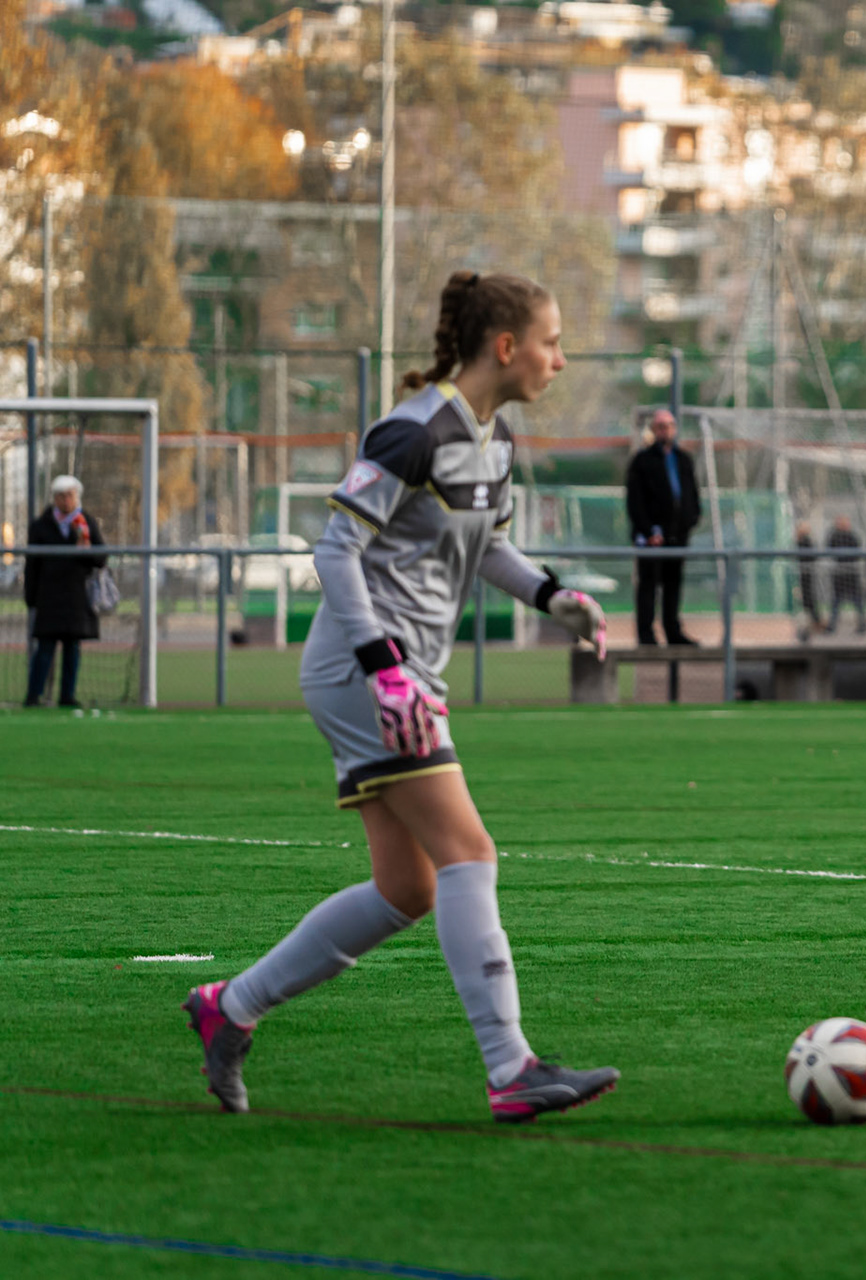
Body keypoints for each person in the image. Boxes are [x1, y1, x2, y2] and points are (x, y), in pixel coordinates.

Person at [182, 271, 617, 1123]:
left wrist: (552, 597)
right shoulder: (412, 430)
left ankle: (229, 1008)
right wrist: (385, 668)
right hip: (364, 668)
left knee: (407, 889)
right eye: (551, 342)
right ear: (504, 347)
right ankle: (510, 1067)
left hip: (397, 670)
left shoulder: (493, 444)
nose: (559, 360)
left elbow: (489, 546)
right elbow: (335, 550)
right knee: (470, 852)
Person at [23, 474, 106, 708]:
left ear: (76, 496)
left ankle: (67, 696)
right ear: (54, 498)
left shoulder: (85, 522)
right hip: (49, 598)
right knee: (45, 649)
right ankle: (33, 696)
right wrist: (31, 597)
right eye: (61, 496)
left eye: (69, 495)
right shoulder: (40, 526)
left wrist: (86, 548)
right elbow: (32, 565)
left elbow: (101, 559)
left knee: (72, 649)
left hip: (76, 599)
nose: (65, 500)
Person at [625, 408, 702, 646]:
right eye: (660, 426)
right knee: (648, 585)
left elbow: (691, 495)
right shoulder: (642, 461)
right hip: (652, 539)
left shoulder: (683, 459)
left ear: (674, 429)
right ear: (653, 430)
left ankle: (673, 631)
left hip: (677, 536)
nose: (664, 430)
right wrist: (648, 531)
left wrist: (690, 520)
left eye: (668, 426)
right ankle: (646, 634)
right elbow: (635, 502)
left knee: (673, 585)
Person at [826, 514, 865, 633]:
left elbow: (857, 550)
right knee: (836, 602)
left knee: (857, 601)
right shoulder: (834, 535)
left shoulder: (851, 535)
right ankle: (832, 626)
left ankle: (863, 624)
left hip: (851, 573)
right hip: (840, 574)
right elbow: (830, 548)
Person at [794, 520, 823, 636]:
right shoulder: (801, 541)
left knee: (808, 599)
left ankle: (815, 621)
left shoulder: (804, 540)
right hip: (804, 573)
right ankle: (813, 621)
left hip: (807, 573)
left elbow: (812, 556)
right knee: (807, 599)